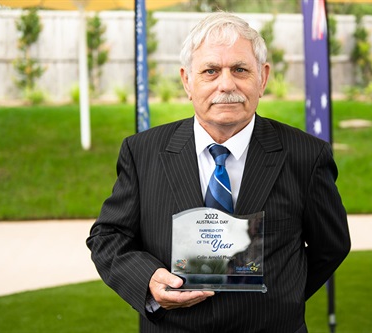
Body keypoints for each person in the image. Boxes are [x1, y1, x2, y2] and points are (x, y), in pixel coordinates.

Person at [86, 11, 350, 333]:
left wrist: (281, 296)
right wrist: (148, 281)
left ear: (263, 78)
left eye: (240, 69)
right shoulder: (142, 152)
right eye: (211, 71)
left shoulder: (306, 156)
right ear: (187, 80)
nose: (227, 84)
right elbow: (108, 237)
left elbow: (331, 245)